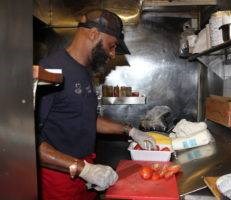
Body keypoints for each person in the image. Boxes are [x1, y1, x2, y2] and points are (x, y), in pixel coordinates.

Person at [36, 9, 156, 200]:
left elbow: (85, 118)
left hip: (85, 170)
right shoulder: (49, 71)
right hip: (59, 177)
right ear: (93, 34)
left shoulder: (84, 72)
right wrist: (84, 169)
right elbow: (29, 142)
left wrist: (129, 130)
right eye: (112, 46)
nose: (112, 54)